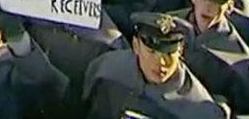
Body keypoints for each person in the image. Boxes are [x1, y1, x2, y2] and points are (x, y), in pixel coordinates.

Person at [82, 12, 225, 119]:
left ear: (180, 52)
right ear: (136, 46)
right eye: (151, 52)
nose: (161, 63)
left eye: (169, 54)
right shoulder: (108, 69)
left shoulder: (198, 110)